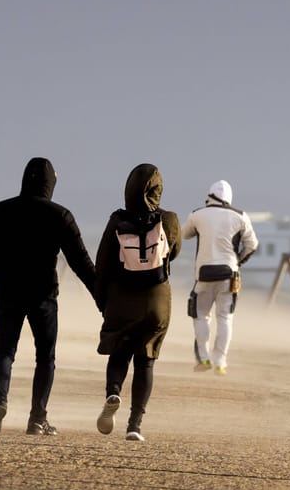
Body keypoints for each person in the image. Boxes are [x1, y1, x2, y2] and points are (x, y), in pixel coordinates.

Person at [0, 157, 98, 435]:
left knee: (5, 351)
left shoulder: (2, 210)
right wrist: (101, 297)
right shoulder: (60, 215)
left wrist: (10, 263)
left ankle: (0, 400)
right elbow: (81, 262)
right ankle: (37, 418)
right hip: (43, 295)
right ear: (50, 184)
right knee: (45, 357)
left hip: (8, 289)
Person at [95, 162, 181, 442]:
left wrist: (103, 300)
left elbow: (103, 263)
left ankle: (113, 393)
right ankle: (135, 425)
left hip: (122, 297)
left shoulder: (117, 220)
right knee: (146, 360)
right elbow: (174, 253)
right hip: (156, 299)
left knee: (120, 350)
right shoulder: (168, 219)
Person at [181, 179, 259, 374]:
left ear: (209, 196)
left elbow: (184, 235)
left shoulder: (197, 214)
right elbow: (252, 245)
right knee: (225, 318)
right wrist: (238, 261)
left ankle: (204, 358)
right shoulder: (240, 216)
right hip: (229, 275)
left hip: (204, 275)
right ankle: (221, 362)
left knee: (200, 316)